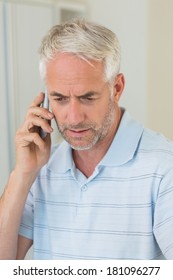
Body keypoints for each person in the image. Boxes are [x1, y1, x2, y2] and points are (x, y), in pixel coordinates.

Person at [0, 18, 173, 260]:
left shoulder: (164, 168)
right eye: (59, 98)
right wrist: (22, 173)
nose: (73, 118)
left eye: (87, 98)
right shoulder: (42, 167)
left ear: (117, 88)